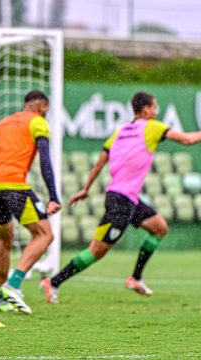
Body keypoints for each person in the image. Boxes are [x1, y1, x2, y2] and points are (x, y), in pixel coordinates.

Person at [41, 91, 201, 304]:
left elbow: (100, 162)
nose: (156, 111)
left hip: (128, 198)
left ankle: (135, 278)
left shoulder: (120, 131)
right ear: (145, 110)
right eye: (154, 108)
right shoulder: (152, 126)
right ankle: (53, 282)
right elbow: (188, 140)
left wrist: (86, 188)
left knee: (159, 227)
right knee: (96, 251)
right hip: (121, 202)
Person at [0, 90, 61, 314]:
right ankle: (13, 285)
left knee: (4, 239)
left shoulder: (2, 123)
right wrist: (53, 196)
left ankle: (2, 300)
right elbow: (45, 162)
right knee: (45, 234)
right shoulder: (38, 122)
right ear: (42, 106)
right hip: (13, 185)